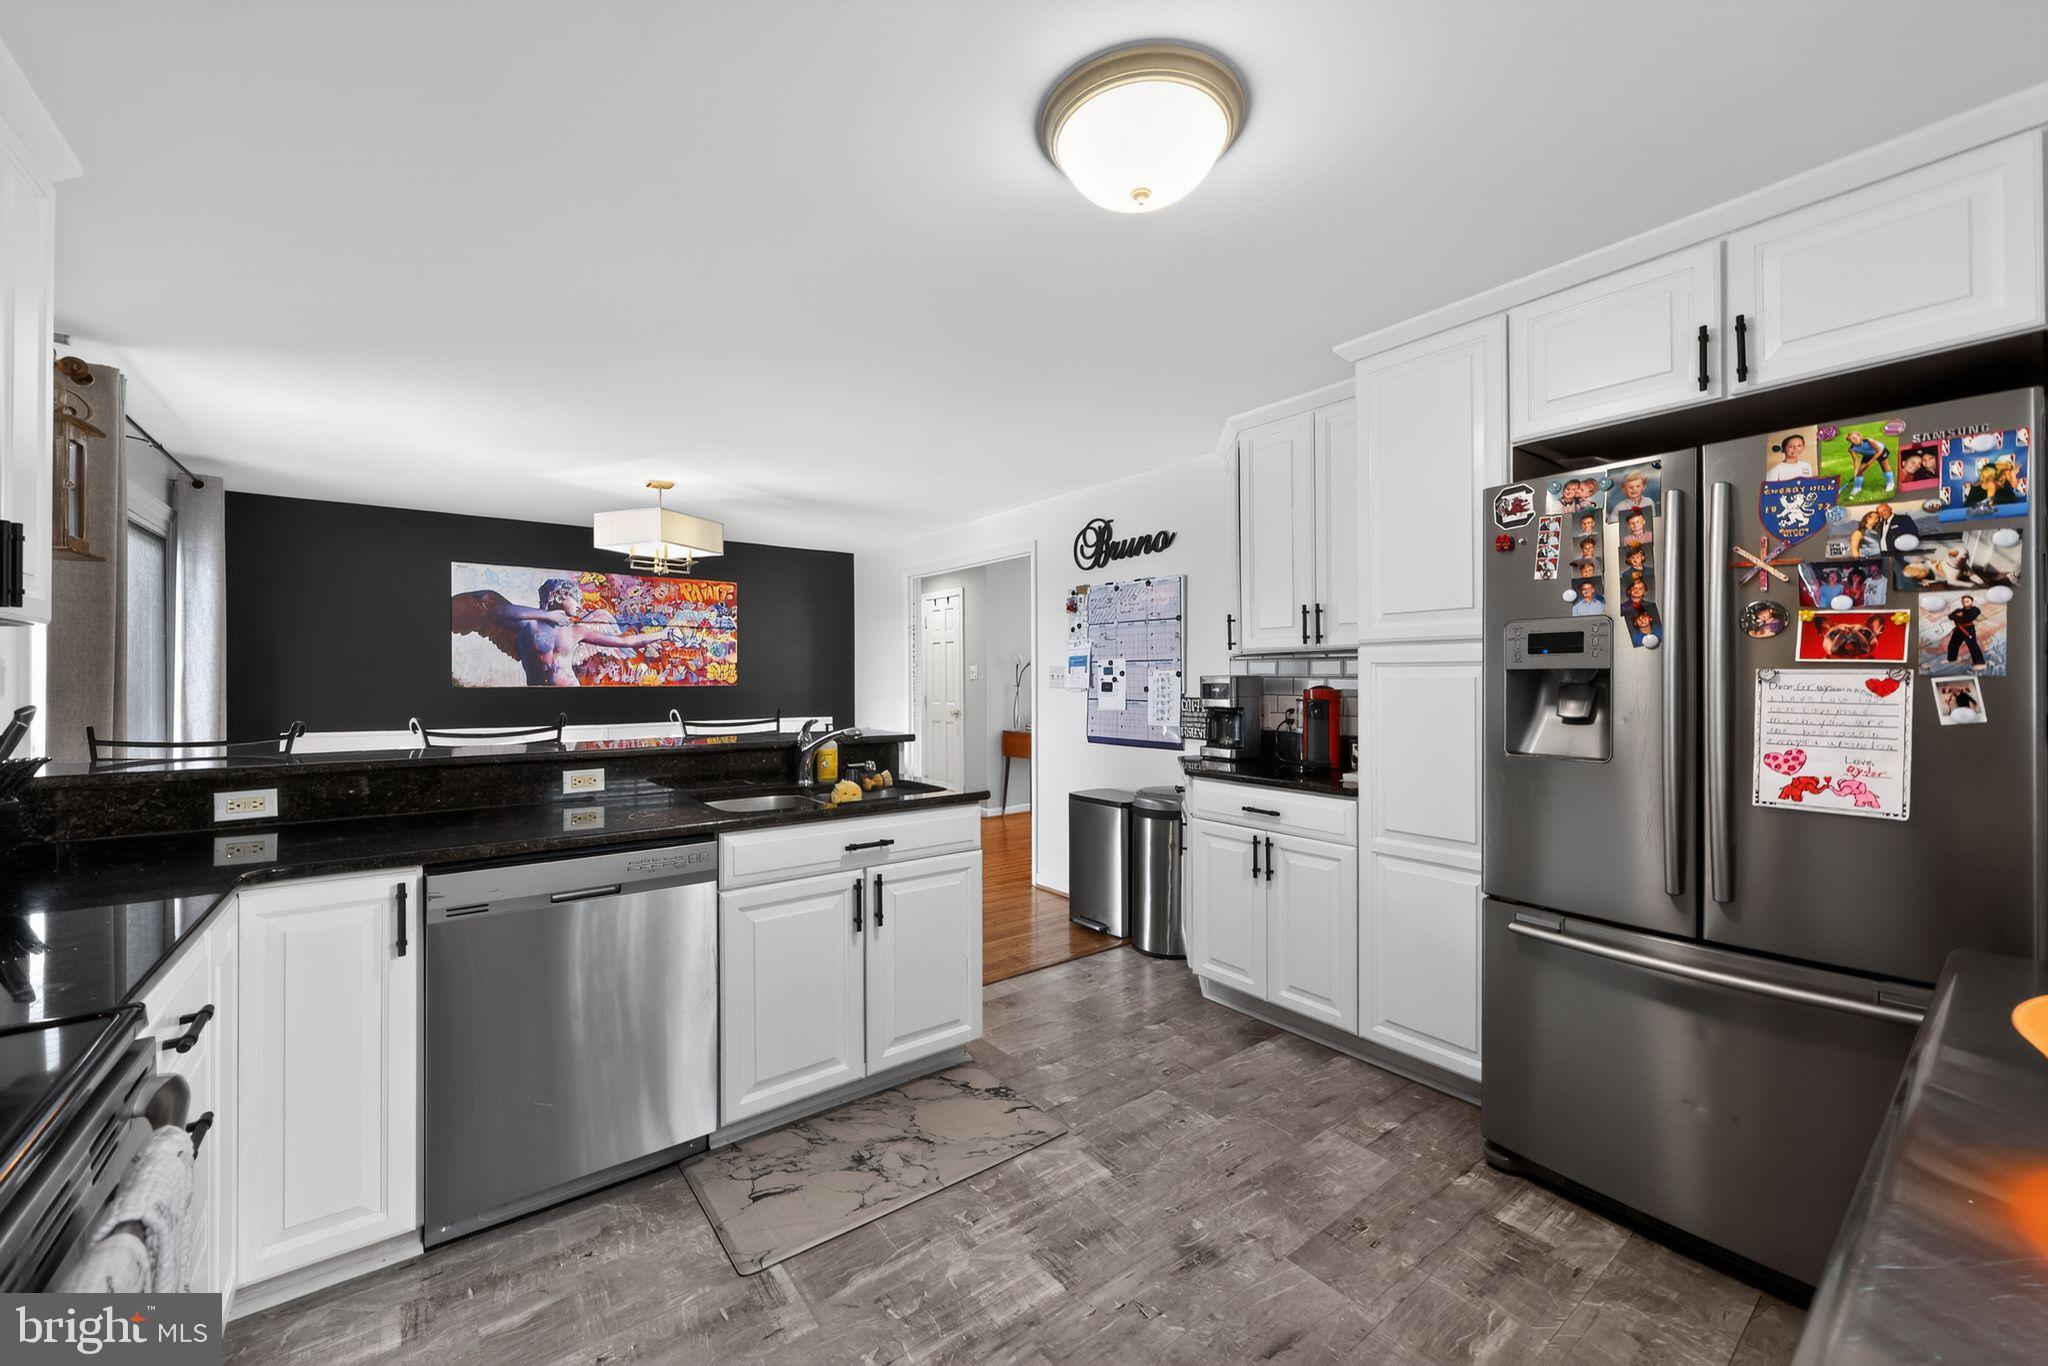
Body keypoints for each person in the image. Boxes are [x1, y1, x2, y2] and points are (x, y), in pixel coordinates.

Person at [455, 578, 677, 686]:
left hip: (571, 690)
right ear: (559, 597)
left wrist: (662, 635)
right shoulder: (528, 624)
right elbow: (498, 611)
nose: (579, 604)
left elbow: (626, 642)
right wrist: (548, 616)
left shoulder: (576, 631)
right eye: (575, 598)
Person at [1845, 429, 1893, 495]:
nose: (1853, 441)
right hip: (1868, 455)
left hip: (1880, 451)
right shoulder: (1851, 449)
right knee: (1860, 470)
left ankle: (1890, 483)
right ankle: (1857, 487)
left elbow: (1879, 451)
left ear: (1860, 436)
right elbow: (1856, 460)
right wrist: (1856, 471)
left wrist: (1869, 463)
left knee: (1884, 466)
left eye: (1854, 438)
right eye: (1851, 440)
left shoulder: (1869, 441)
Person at [1946, 594, 1987, 671]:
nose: (1965, 603)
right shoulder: (1959, 610)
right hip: (1959, 629)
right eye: (1963, 601)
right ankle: (1952, 658)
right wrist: (1959, 615)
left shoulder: (1975, 609)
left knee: (1972, 645)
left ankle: (1980, 663)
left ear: (1972, 602)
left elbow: (1968, 618)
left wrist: (1959, 616)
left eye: (1967, 601)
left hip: (1968, 629)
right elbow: (1950, 617)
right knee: (1953, 644)